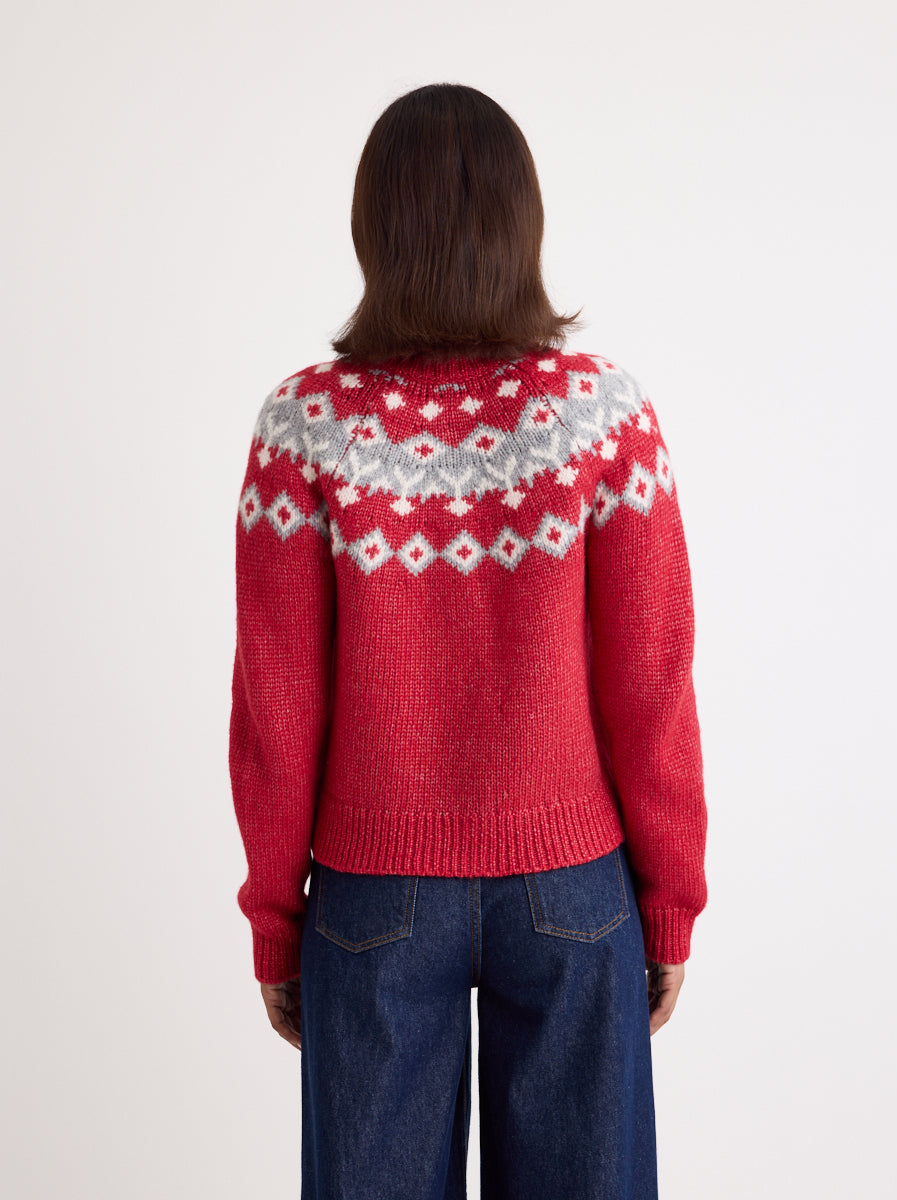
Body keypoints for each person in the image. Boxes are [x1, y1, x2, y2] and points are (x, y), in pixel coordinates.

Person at [229, 81, 707, 1200]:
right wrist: (669, 896)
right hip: (573, 888)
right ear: (520, 223)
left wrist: (275, 919)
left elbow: (275, 705)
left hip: (370, 894)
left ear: (373, 228)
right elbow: (652, 678)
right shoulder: (601, 415)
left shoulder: (304, 426)